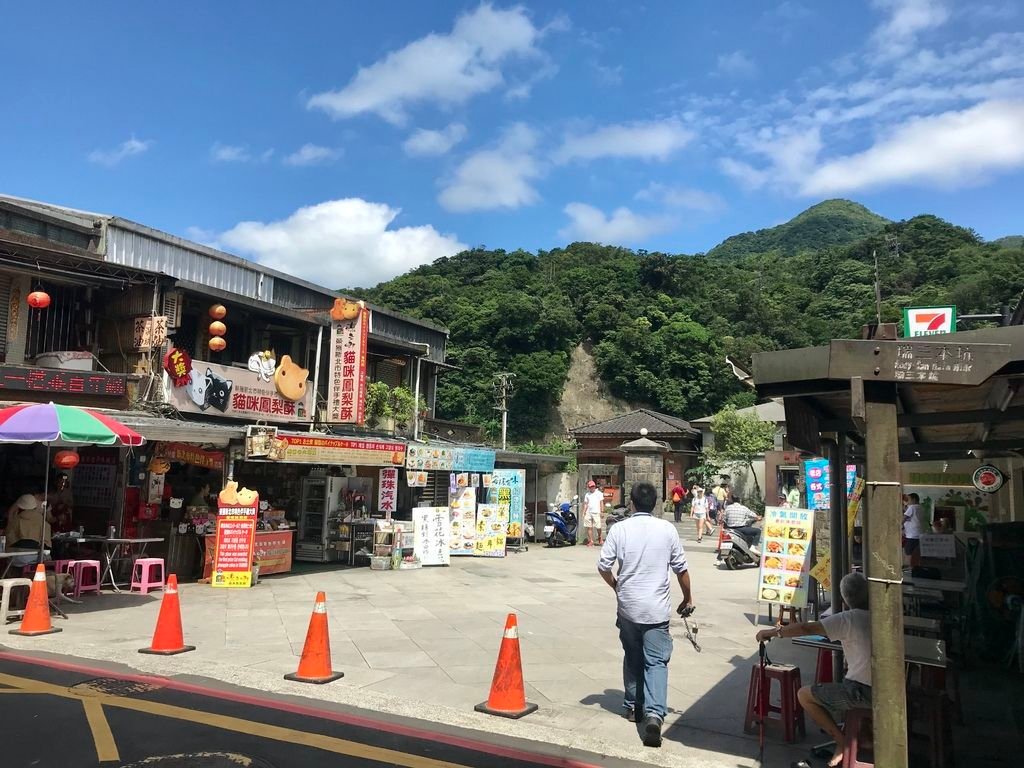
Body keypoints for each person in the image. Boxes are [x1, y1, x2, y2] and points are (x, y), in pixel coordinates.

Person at [598, 481, 693, 748]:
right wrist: (687, 598)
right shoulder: (667, 529)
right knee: (656, 662)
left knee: (632, 655)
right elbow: (681, 570)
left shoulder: (619, 529)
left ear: (631, 503)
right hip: (656, 609)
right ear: (656, 504)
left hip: (628, 607)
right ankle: (654, 714)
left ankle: (632, 706)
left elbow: (603, 565)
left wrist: (617, 586)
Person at [755, 573, 871, 768]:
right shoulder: (880, 615)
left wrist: (773, 632)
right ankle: (861, 737)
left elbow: (807, 629)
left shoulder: (848, 619)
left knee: (804, 695)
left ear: (844, 599)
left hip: (862, 691)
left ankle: (842, 742)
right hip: (886, 688)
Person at [4, 494, 53, 566]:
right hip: (41, 558)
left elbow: (9, 539)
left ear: (21, 507)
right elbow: (48, 543)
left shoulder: (16, 521)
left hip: (19, 558)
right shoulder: (44, 523)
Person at [903, 492, 927, 566]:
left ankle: (909, 568)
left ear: (913, 499)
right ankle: (916, 567)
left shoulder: (912, 507)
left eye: (909, 499)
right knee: (917, 553)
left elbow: (904, 518)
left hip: (912, 535)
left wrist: (898, 525)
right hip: (919, 534)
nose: (908, 501)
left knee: (909, 553)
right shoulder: (921, 507)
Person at [583, 480, 605, 546]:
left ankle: (600, 539)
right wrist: (584, 512)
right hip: (588, 512)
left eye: (593, 486)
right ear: (588, 487)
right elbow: (586, 504)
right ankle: (591, 541)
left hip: (596, 512)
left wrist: (602, 511)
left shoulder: (599, 493)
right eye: (590, 487)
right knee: (589, 527)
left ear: (594, 486)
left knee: (598, 527)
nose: (592, 488)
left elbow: (601, 503)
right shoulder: (587, 494)